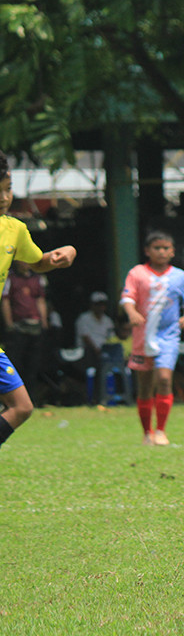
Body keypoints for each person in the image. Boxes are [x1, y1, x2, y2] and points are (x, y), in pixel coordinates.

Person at [0, 150, 77, 455]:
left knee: (21, 407)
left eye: (7, 189)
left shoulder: (15, 229)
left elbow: (37, 263)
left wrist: (62, 254)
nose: (4, 197)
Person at [121, 230, 184, 446]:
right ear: (147, 251)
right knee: (145, 385)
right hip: (143, 336)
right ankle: (147, 432)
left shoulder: (179, 276)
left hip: (168, 336)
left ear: (172, 252)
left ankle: (161, 431)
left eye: (166, 248)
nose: (161, 252)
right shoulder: (137, 273)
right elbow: (127, 297)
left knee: (164, 379)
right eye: (157, 248)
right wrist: (132, 312)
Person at [1, 261, 50, 403]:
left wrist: (44, 322)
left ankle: (31, 399)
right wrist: (9, 324)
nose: (26, 263)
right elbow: (5, 301)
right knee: (16, 364)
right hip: (18, 326)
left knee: (33, 365)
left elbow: (40, 300)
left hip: (35, 326)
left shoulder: (37, 279)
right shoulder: (10, 278)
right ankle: (12, 400)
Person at [75, 291, 116, 366]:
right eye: (97, 304)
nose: (100, 307)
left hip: (104, 353)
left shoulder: (108, 321)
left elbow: (111, 338)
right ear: (92, 305)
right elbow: (85, 338)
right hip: (87, 353)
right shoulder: (83, 318)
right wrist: (97, 351)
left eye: (102, 304)